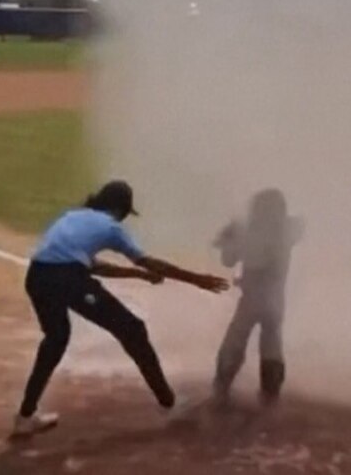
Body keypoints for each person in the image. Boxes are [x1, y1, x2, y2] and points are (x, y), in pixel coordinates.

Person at [13, 180, 230, 438]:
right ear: (121, 209)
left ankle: (25, 416)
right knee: (132, 329)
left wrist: (137, 275)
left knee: (56, 339)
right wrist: (196, 279)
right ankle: (169, 403)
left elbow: (91, 266)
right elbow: (149, 262)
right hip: (66, 279)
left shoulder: (73, 216)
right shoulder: (111, 227)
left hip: (37, 276)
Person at [211, 188, 303, 407]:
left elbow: (229, 260)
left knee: (236, 340)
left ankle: (222, 390)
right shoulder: (287, 230)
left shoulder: (253, 233)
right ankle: (269, 396)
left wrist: (229, 239)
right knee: (271, 343)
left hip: (254, 298)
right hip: (274, 300)